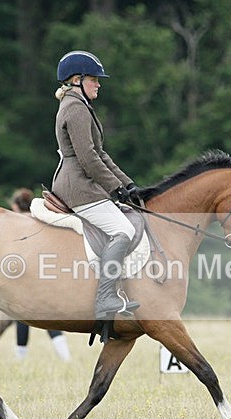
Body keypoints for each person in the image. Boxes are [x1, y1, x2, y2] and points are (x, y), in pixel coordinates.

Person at [51, 50, 145, 320]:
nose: (99, 84)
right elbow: (88, 158)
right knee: (123, 229)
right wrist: (115, 189)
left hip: (83, 181)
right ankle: (105, 298)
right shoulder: (76, 108)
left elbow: (101, 154)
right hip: (78, 186)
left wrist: (127, 185)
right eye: (94, 79)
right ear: (77, 79)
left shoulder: (79, 105)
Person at [7, 187, 71, 362]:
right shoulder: (40, 219)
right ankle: (65, 357)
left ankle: (19, 359)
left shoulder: (15, 223)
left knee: (21, 316)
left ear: (15, 206)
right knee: (47, 315)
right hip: (44, 271)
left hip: (24, 273)